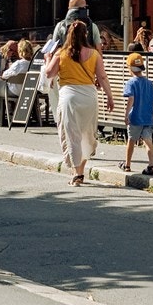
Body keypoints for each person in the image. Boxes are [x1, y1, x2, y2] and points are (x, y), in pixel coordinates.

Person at [42, 19, 112, 186]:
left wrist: (47, 59)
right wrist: (110, 96)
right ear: (86, 35)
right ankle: (80, 170)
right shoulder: (94, 54)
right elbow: (102, 77)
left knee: (72, 135)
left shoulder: (61, 53)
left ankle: (76, 173)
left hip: (69, 96)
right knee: (87, 134)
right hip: (89, 96)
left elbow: (49, 73)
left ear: (68, 35)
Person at [120, 51, 153, 175]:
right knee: (148, 141)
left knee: (131, 140)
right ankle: (152, 164)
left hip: (135, 118)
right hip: (148, 117)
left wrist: (126, 115)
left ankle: (127, 164)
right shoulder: (150, 83)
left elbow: (131, 99)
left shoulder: (131, 83)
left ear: (130, 68)